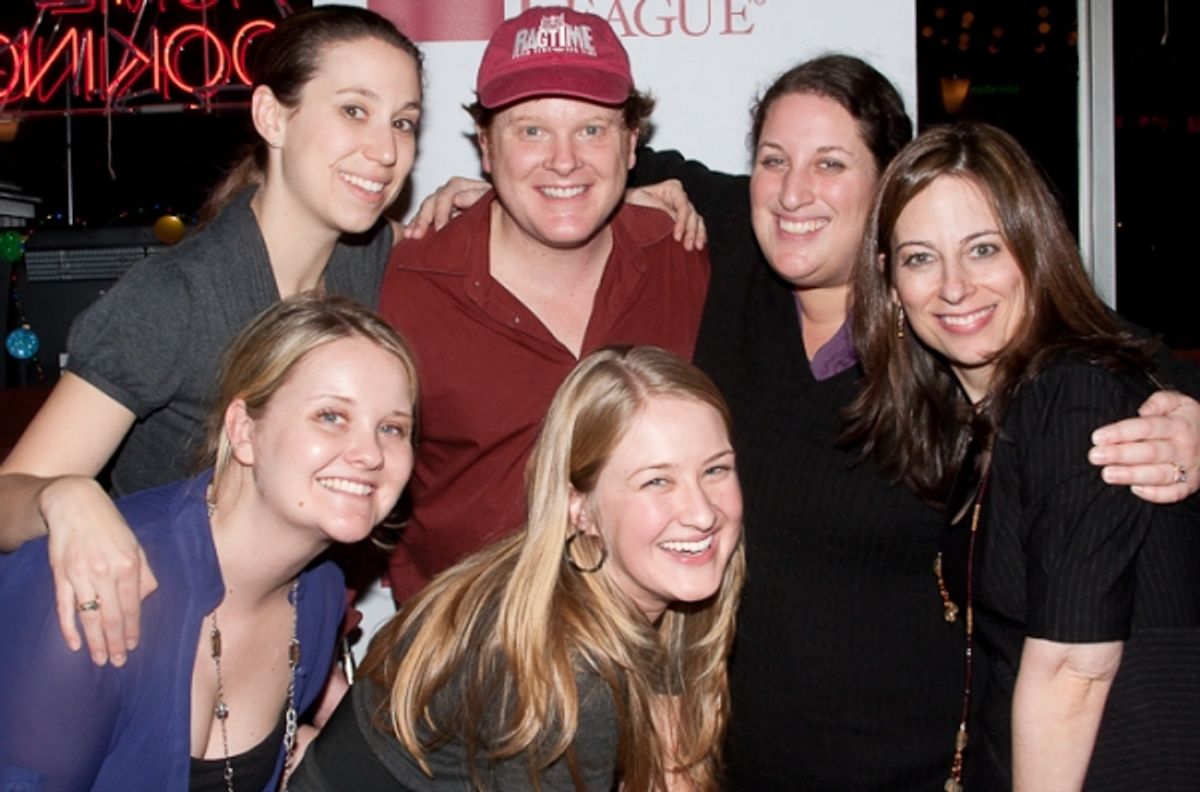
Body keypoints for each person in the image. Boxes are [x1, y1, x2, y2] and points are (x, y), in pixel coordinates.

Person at [410, 54, 1200, 788]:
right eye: (774, 161)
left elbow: (1083, 338)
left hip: (918, 770)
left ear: (891, 183)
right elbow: (579, 163)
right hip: (741, 759)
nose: (794, 194)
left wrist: (1191, 409)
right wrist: (483, 202)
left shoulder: (939, 326)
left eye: (831, 164)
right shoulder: (732, 252)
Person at [0, 4, 423, 666]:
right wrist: (66, 496)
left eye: (404, 122)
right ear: (272, 116)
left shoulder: (366, 258)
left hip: (274, 641)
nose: (387, 150)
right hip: (142, 648)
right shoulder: (176, 298)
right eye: (354, 110)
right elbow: (8, 497)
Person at [851, 121, 1200, 790]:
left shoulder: (1073, 398)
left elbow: (1076, 669)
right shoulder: (981, 418)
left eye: (983, 249)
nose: (953, 287)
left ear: (1034, 251)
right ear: (890, 284)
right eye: (921, 258)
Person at [0, 294, 420, 791]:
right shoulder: (92, 593)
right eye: (331, 416)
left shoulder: (319, 596)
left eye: (392, 428)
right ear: (244, 431)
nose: (371, 453)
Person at [290, 345, 743, 791]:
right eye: (656, 481)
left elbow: (674, 771)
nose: (702, 513)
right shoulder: (569, 674)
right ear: (579, 507)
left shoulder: (644, 594)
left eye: (715, 470)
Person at [377, 6, 710, 605]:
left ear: (632, 144)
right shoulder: (403, 286)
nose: (563, 159)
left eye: (592, 129)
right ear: (484, 145)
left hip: (650, 663)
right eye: (531, 130)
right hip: (465, 669)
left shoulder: (685, 259)